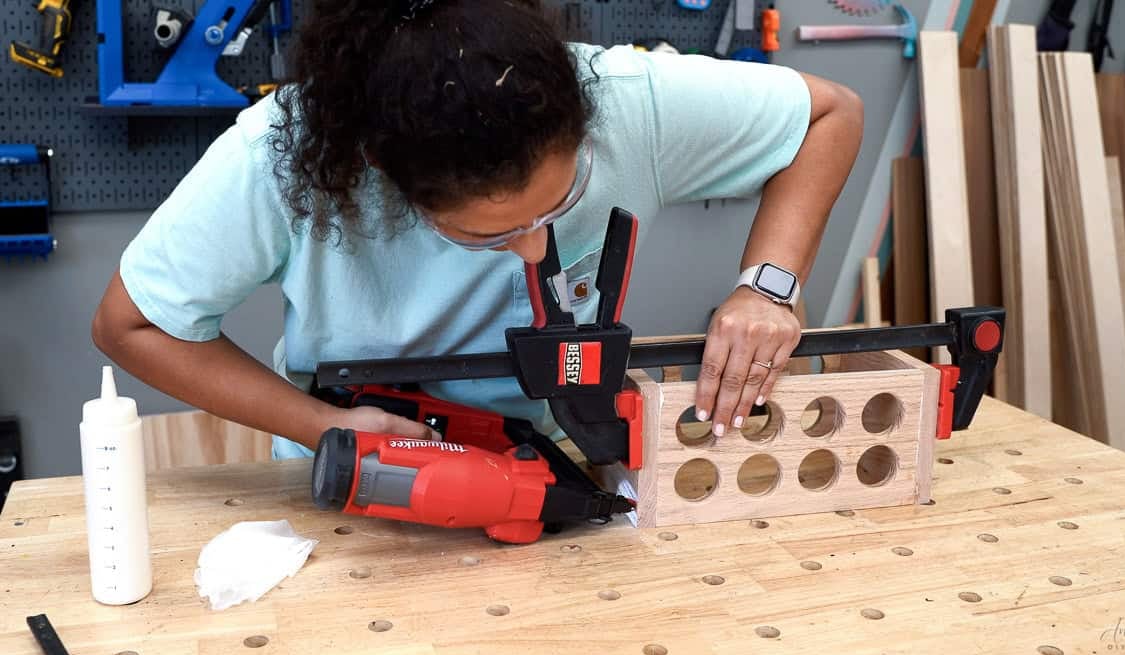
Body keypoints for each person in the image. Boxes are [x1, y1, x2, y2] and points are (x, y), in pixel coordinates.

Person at [91, 0, 863, 460]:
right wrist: (325, 425)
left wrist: (769, 287)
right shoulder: (283, 155)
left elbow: (832, 112)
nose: (534, 248)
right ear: (380, 172)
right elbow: (130, 322)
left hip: (568, 461)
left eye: (557, 208)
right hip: (359, 477)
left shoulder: (630, 100)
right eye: (488, 235)